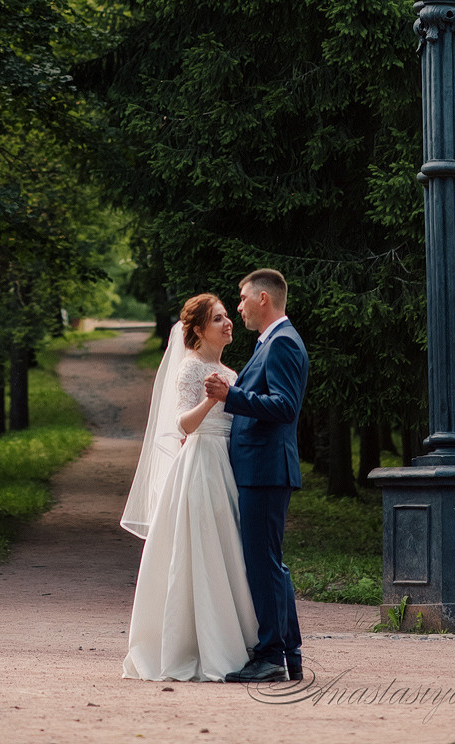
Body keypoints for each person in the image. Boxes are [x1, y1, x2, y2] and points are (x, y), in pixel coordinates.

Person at [120, 293, 258, 681]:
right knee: (201, 553)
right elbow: (183, 425)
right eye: (218, 319)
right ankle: (195, 645)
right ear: (198, 330)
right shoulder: (190, 369)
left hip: (228, 466)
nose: (228, 322)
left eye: (228, 316)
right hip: (201, 465)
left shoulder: (231, 373)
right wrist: (213, 401)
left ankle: (237, 639)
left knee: (229, 551)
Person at [205, 268, 309, 684]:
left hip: (265, 469)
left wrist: (232, 396)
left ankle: (269, 655)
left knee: (263, 565)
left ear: (263, 299)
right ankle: (290, 652)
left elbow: (284, 406)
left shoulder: (282, 342)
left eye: (244, 298)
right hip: (261, 468)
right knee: (271, 564)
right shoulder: (272, 342)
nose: (240, 307)